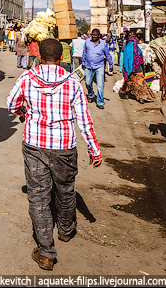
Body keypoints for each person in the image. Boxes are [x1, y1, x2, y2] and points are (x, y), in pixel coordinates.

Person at [6, 38, 103, 271]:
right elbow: (84, 120)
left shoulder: (27, 78)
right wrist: (94, 150)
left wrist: (24, 112)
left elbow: (11, 104)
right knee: (66, 189)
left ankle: (46, 252)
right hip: (64, 146)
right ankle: (66, 231)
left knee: (38, 196)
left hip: (34, 145)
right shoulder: (73, 82)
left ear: (39, 56)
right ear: (61, 58)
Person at [119, 30, 155, 103]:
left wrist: (126, 70)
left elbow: (125, 62)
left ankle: (134, 95)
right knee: (139, 83)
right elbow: (141, 59)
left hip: (130, 69)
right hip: (137, 68)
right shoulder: (137, 49)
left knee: (130, 82)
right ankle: (139, 96)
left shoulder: (127, 49)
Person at [81, 29, 113, 110]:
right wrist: (83, 62)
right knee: (87, 82)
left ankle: (100, 102)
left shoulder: (103, 44)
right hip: (88, 65)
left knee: (100, 85)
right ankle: (91, 94)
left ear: (99, 35)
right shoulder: (87, 41)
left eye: (95, 35)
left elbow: (107, 54)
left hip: (99, 66)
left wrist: (111, 64)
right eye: (93, 35)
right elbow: (84, 52)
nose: (94, 36)